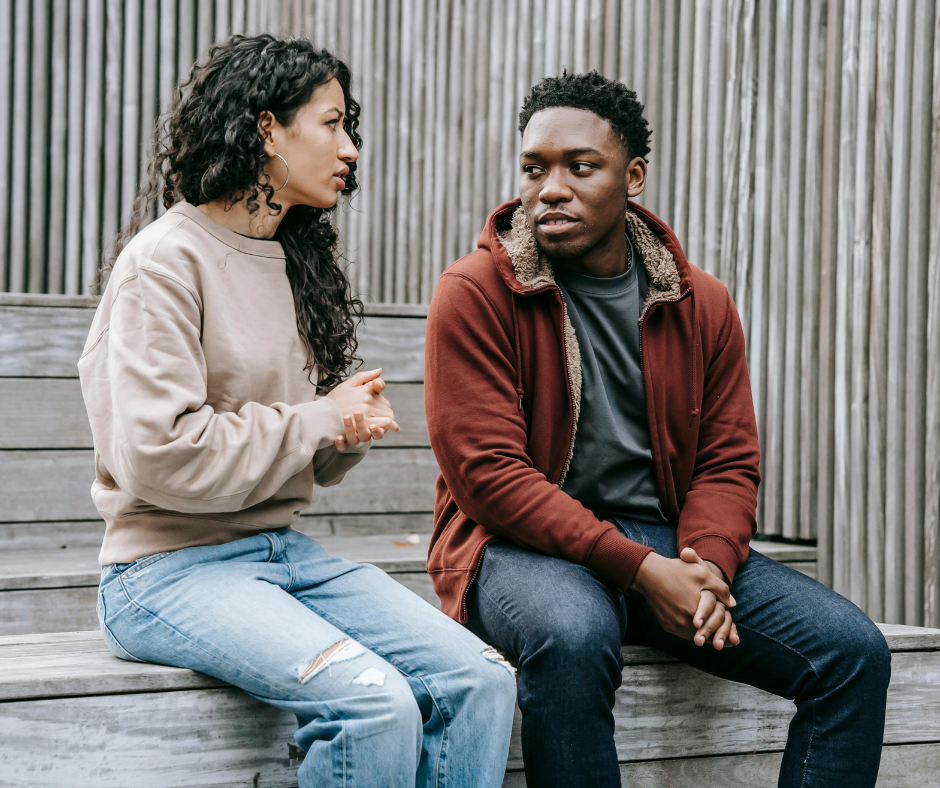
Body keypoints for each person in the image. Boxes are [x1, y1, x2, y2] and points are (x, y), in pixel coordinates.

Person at [424, 70, 891, 788]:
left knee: (853, 652)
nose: (550, 188)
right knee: (573, 635)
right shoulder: (477, 292)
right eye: (534, 168)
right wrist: (644, 573)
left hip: (667, 540)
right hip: (519, 548)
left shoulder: (701, 301)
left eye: (581, 167)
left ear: (632, 176)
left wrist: (702, 566)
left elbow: (728, 461)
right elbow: (489, 476)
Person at [80, 34, 515, 788]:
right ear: (266, 130)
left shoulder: (291, 259)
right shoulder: (164, 262)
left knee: (479, 679)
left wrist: (342, 430)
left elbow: (291, 447)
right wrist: (317, 419)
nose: (350, 148)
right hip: (162, 572)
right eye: (332, 123)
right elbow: (159, 455)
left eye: (350, 127)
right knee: (372, 703)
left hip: (277, 555)